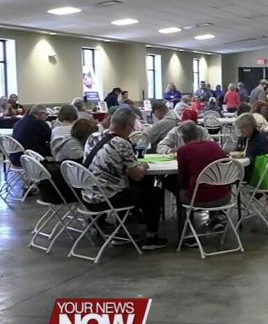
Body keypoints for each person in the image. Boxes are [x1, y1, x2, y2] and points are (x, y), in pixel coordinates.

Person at [82, 108, 167, 251]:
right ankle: (151, 237)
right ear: (127, 126)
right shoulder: (121, 143)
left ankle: (120, 232)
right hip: (107, 198)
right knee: (154, 193)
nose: (132, 131)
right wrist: (144, 166)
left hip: (87, 195)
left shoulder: (93, 137)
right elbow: (137, 175)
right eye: (132, 127)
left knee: (128, 186)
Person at [176, 121, 231, 237]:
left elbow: (183, 181)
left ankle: (187, 233)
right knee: (210, 183)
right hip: (224, 196)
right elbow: (226, 164)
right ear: (199, 134)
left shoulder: (183, 151)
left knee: (178, 190)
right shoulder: (214, 146)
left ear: (182, 138)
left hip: (199, 199)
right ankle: (215, 217)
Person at [235, 113, 268, 206]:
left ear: (251, 126)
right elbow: (237, 152)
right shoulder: (243, 139)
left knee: (227, 179)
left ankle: (223, 207)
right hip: (247, 169)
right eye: (240, 128)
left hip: (258, 174)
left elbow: (261, 159)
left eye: (243, 127)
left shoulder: (260, 139)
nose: (241, 130)